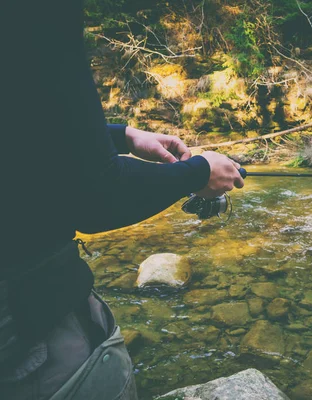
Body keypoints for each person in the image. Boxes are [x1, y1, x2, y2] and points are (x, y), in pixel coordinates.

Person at [0, 1, 244, 399]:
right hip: (24, 313)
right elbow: (95, 195)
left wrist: (120, 136)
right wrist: (198, 173)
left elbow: (22, 130)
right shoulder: (37, 12)